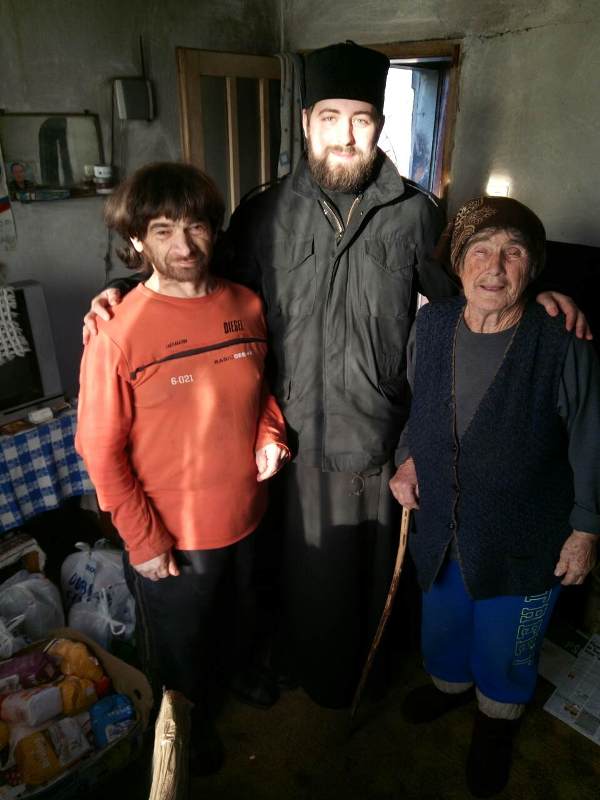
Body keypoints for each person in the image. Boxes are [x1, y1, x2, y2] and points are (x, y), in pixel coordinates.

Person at [82, 43, 590, 710]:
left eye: (360, 119)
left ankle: (360, 682)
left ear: (379, 126)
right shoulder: (265, 212)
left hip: (379, 443)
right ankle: (290, 675)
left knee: (369, 592)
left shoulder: (414, 213)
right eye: (329, 118)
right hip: (284, 448)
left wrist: (542, 296)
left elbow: (468, 297)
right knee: (292, 583)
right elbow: (195, 279)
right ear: (305, 123)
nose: (345, 135)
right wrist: (122, 291)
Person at [75, 162, 289, 774]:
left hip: (247, 515)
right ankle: (181, 729)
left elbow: (260, 389)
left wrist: (271, 432)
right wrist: (142, 540)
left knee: (239, 617)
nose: (184, 245)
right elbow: (99, 449)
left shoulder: (246, 304)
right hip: (172, 534)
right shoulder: (118, 330)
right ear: (137, 240)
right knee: (177, 652)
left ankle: (238, 673)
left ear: (214, 230)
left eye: (195, 226)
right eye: (163, 230)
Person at [390, 196, 600, 798]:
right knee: (445, 623)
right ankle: (450, 688)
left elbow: (591, 438)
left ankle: (496, 721)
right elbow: (421, 408)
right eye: (479, 251)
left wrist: (586, 528)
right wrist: (407, 459)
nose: (495, 267)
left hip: (524, 536)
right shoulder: (433, 324)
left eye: (513, 252)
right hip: (444, 526)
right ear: (458, 264)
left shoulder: (561, 341)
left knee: (506, 644)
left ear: (533, 266)